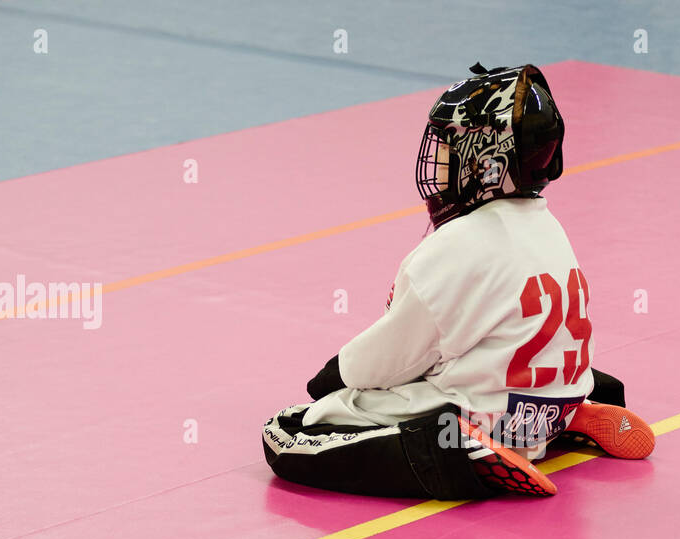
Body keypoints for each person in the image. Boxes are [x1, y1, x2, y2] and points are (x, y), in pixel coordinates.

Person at [262, 63, 654, 499]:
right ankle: (566, 420)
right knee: (491, 356)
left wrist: (336, 375)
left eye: (448, 153)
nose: (439, 166)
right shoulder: (550, 228)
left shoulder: (455, 245)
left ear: (484, 161)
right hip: (551, 405)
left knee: (293, 433)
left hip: (483, 413)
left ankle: (452, 446)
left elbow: (390, 358)